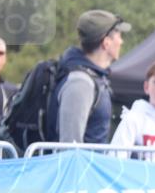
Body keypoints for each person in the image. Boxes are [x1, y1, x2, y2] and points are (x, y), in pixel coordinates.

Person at [46, 9, 130, 144]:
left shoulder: (90, 78)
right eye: (119, 36)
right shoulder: (80, 83)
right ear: (106, 42)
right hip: (80, 165)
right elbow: (69, 146)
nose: (121, 42)